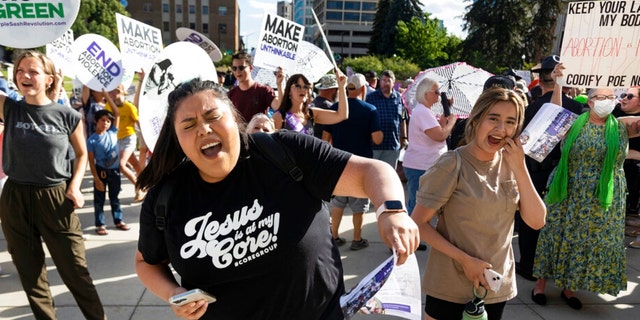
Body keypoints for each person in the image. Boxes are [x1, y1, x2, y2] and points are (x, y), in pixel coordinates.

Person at [133, 78, 419, 319]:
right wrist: (173, 293)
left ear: (234, 117)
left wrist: (391, 210)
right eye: (188, 125)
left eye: (212, 117)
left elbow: (373, 170)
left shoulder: (283, 152)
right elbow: (147, 262)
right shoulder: (166, 198)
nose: (203, 129)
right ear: (177, 137)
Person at [411, 87, 546, 320]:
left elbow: (536, 221)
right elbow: (418, 224)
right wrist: (466, 260)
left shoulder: (513, 165)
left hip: (495, 288)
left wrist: (520, 167)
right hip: (450, 288)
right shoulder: (452, 163)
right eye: (493, 118)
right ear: (476, 119)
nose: (501, 129)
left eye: (510, 122)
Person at [0, 50, 105, 319]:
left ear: (48, 79)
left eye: (33, 71)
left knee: (76, 271)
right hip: (15, 197)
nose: (25, 75)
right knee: (30, 274)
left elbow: (81, 154)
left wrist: (75, 186)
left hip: (55, 198)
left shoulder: (67, 115)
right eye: (21, 70)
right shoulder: (9, 108)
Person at [532, 64, 640, 309]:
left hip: (601, 198)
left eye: (612, 97)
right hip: (567, 191)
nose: (608, 101)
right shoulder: (573, 123)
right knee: (555, 235)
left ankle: (570, 288)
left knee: (584, 243)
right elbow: (554, 115)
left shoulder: (621, 126)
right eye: (601, 97)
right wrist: (558, 83)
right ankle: (541, 284)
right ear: (590, 101)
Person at [516, 55, 585, 282]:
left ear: (539, 79)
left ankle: (528, 265)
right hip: (565, 174)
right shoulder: (580, 109)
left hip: (536, 173)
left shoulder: (531, 108)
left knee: (529, 221)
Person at [323, 73, 383, 250]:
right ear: (363, 88)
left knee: (338, 202)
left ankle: (334, 236)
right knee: (359, 205)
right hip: (361, 164)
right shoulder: (370, 109)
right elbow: (377, 139)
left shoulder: (335, 107)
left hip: (338, 162)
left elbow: (325, 138)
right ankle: (357, 239)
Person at [403, 77, 457, 215]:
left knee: (418, 205)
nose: (439, 95)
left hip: (422, 164)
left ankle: (415, 233)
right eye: (436, 92)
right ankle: (413, 235)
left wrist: (444, 120)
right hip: (421, 165)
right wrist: (451, 122)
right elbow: (439, 136)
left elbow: (436, 132)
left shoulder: (423, 111)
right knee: (417, 206)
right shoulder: (423, 111)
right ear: (426, 93)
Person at [87, 108, 130, 235]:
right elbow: (91, 161)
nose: (105, 123)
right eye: (102, 120)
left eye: (108, 121)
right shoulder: (92, 140)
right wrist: (96, 178)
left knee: (115, 198)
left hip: (114, 172)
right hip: (101, 172)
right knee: (99, 200)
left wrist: (105, 94)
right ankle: (100, 224)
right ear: (96, 121)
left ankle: (118, 220)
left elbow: (117, 113)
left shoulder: (112, 133)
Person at [104, 83, 146, 202]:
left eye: (115, 90)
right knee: (135, 164)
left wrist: (145, 139)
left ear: (122, 91)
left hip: (129, 138)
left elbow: (138, 122)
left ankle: (139, 187)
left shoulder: (129, 107)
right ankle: (146, 183)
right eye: (110, 91)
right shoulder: (108, 106)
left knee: (121, 165)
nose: (112, 93)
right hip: (116, 140)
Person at [273, 71, 348, 135]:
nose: (302, 90)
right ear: (289, 91)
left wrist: (342, 87)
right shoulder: (279, 117)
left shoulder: (311, 114)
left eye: (306, 87)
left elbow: (342, 115)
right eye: (297, 86)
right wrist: (279, 85)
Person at [366, 70, 408, 169]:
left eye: (388, 81)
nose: (386, 83)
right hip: (374, 146)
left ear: (393, 83)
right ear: (380, 82)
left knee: (389, 175)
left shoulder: (399, 99)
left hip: (392, 145)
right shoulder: (371, 98)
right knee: (372, 175)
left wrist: (404, 138)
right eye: (383, 80)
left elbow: (403, 118)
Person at [227, 51, 281, 122]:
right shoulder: (230, 95)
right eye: (234, 68)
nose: (238, 71)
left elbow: (279, 107)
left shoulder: (264, 91)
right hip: (237, 132)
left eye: (241, 68)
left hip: (257, 132)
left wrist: (280, 84)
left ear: (250, 68)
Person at [311, 74, 340, 139]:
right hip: (320, 144)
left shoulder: (314, 102)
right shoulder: (328, 106)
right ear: (333, 90)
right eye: (337, 89)